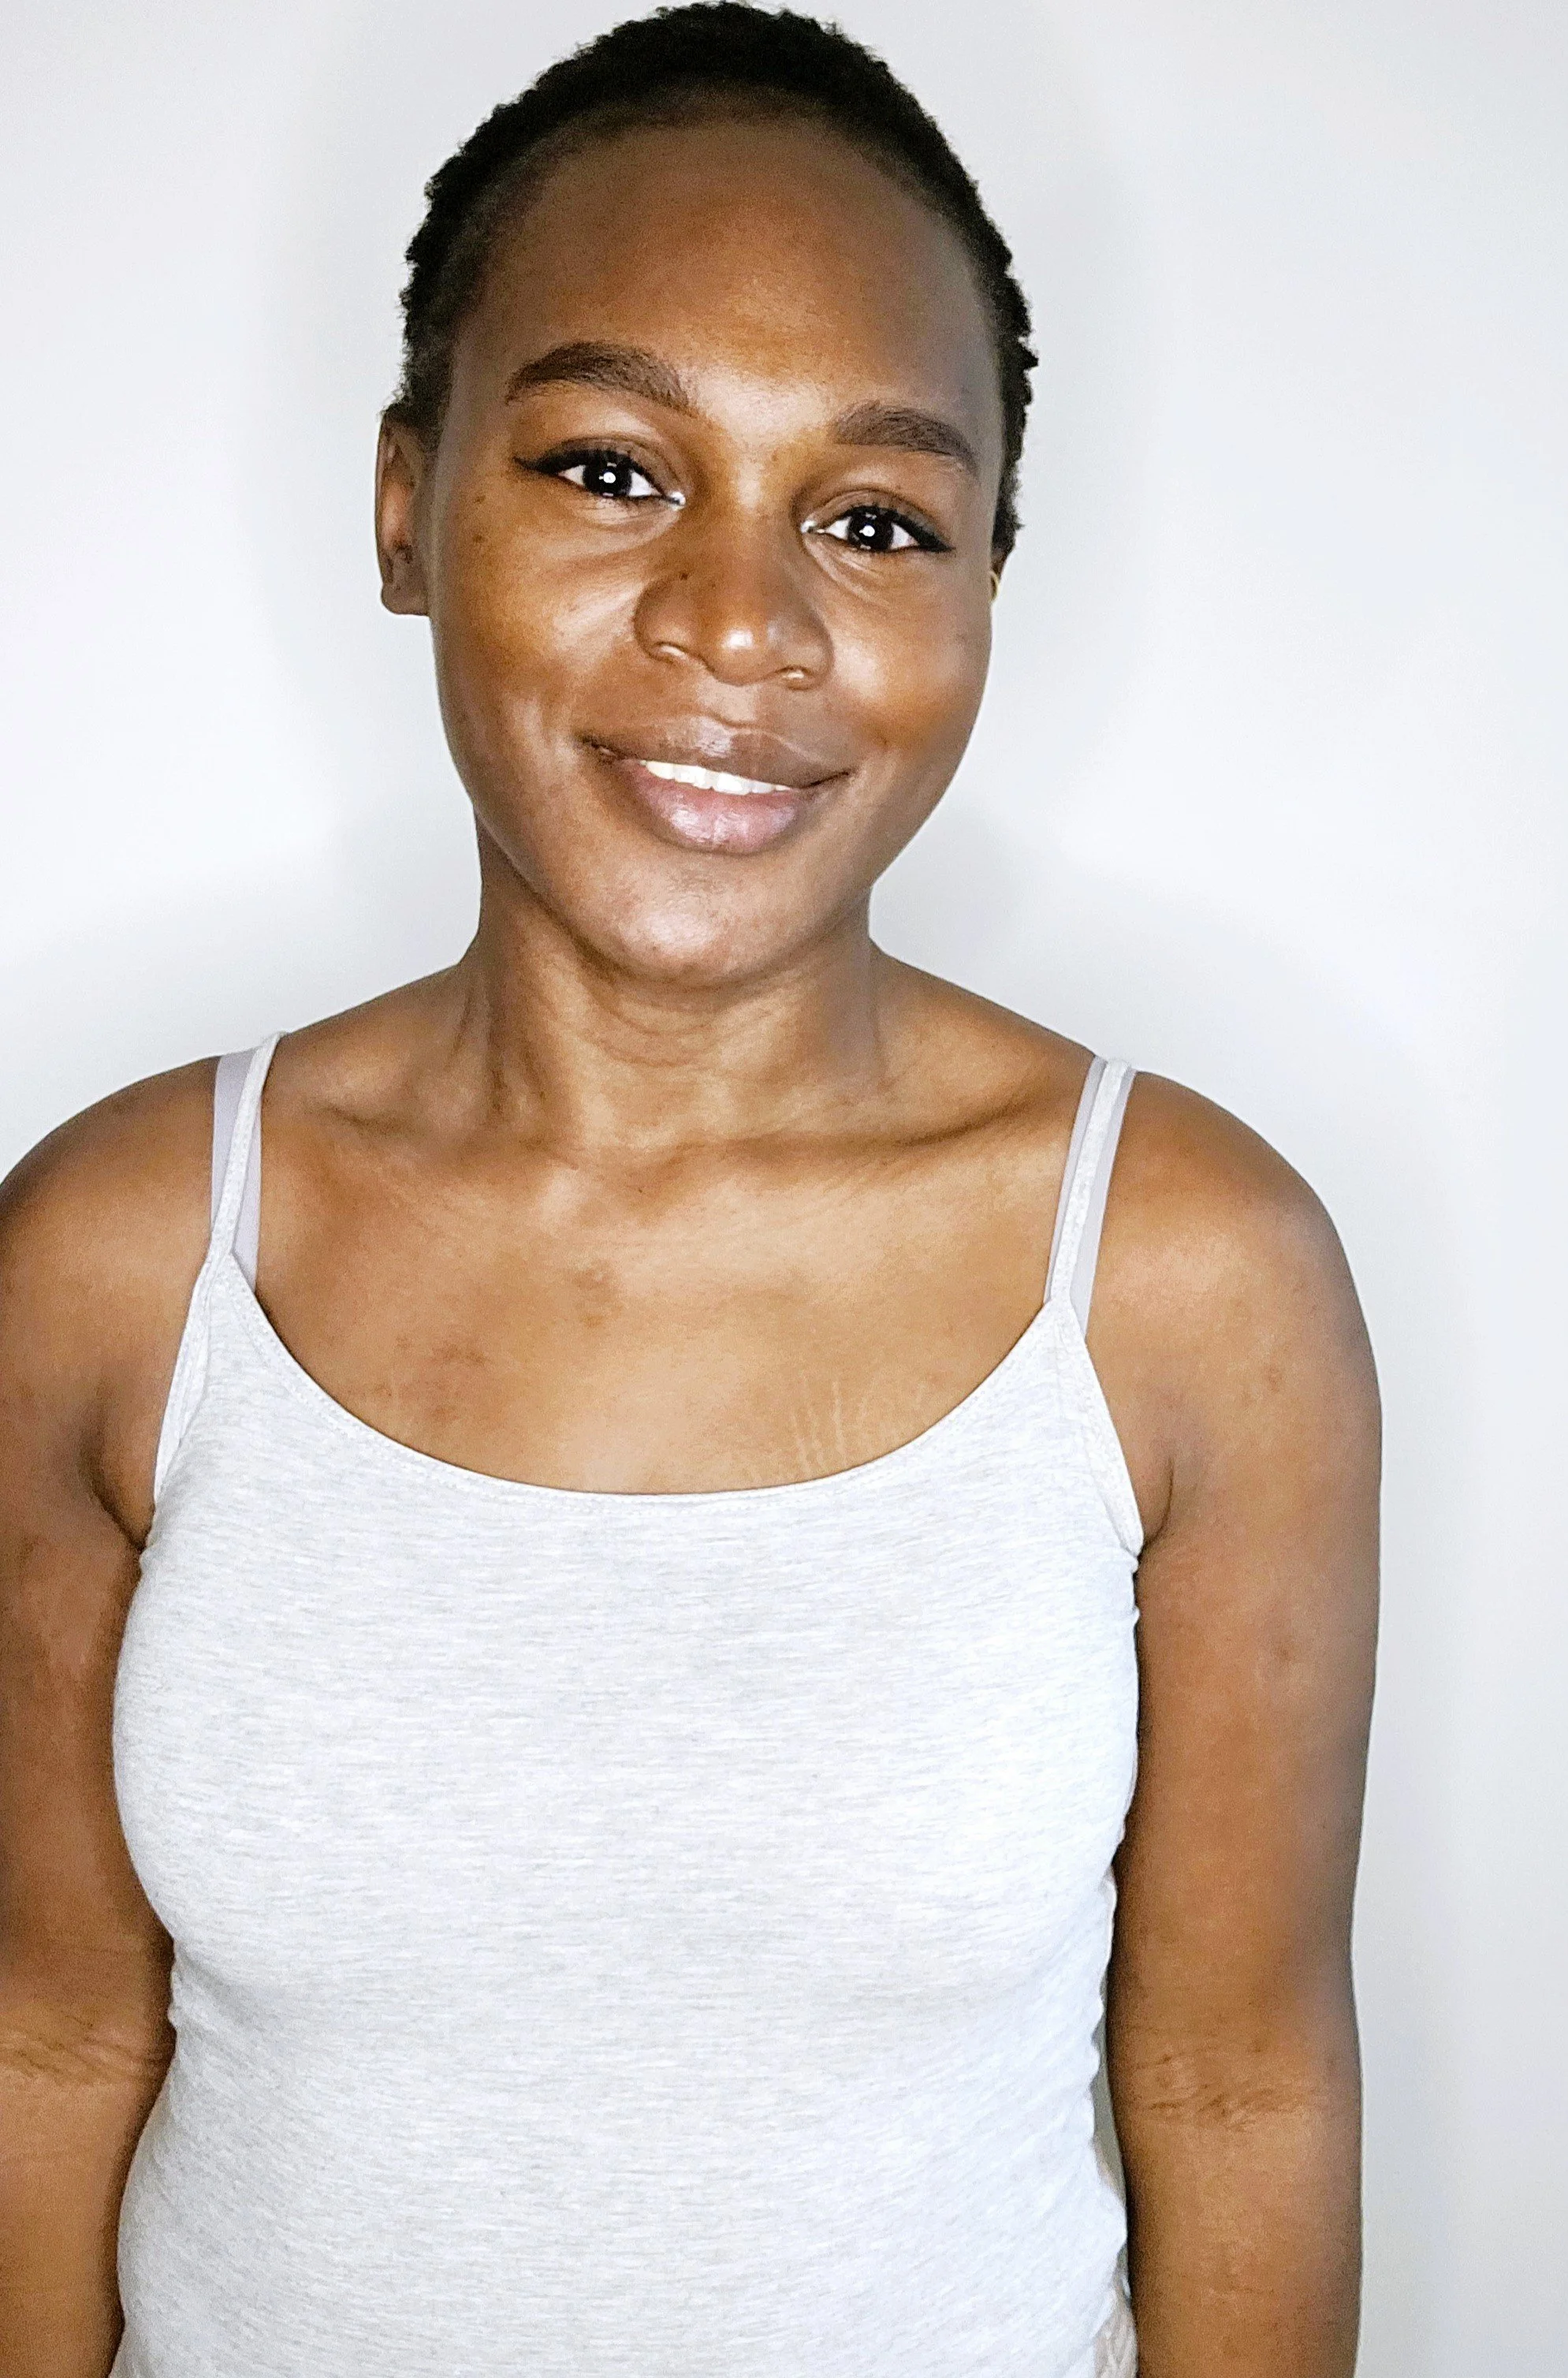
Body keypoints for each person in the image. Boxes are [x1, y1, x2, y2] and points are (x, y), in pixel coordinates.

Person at [0, 8, 1379, 2374]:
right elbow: (43, 2041)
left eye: (874, 519)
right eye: (614, 469)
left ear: (983, 587)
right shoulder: (118, 1258)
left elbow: (1237, 2090)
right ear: (407, 506)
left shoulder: (1187, 1277)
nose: (742, 624)